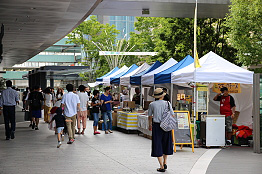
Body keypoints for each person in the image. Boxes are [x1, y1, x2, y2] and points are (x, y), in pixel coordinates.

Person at [148, 88, 174, 172]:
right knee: (166, 143)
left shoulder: (152, 104)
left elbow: (149, 116)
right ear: (162, 95)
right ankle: (165, 162)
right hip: (166, 126)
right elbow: (172, 115)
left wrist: (150, 125)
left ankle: (161, 165)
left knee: (157, 144)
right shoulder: (167, 103)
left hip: (157, 126)